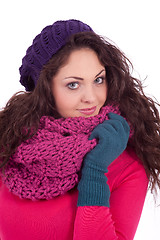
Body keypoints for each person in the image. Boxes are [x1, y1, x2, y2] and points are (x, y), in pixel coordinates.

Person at [0, 19, 160, 240]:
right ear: (45, 89)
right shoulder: (12, 144)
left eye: (98, 80)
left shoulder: (127, 164)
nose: (91, 98)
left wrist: (95, 169)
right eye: (73, 84)